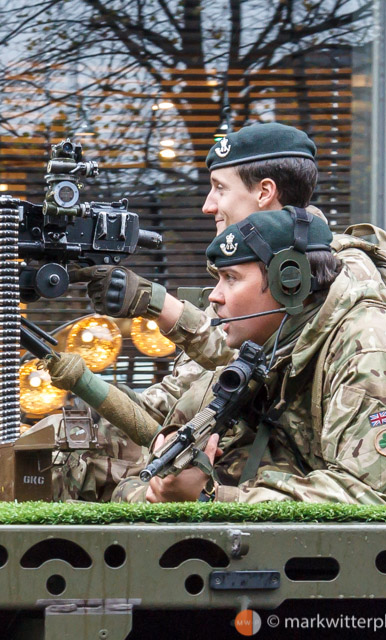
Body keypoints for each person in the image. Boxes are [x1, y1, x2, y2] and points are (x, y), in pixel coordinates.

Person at [118, 208, 386, 504]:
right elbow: (145, 477)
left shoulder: (369, 348)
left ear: (288, 283)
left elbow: (366, 497)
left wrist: (213, 498)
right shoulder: (273, 347)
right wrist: (162, 490)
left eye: (230, 278)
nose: (214, 296)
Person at [49, 124, 324, 500]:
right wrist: (110, 402)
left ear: (264, 192)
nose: (208, 205)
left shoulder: (313, 272)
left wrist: (156, 303)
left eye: (220, 188)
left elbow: (268, 363)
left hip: (263, 475)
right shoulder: (247, 264)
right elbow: (191, 389)